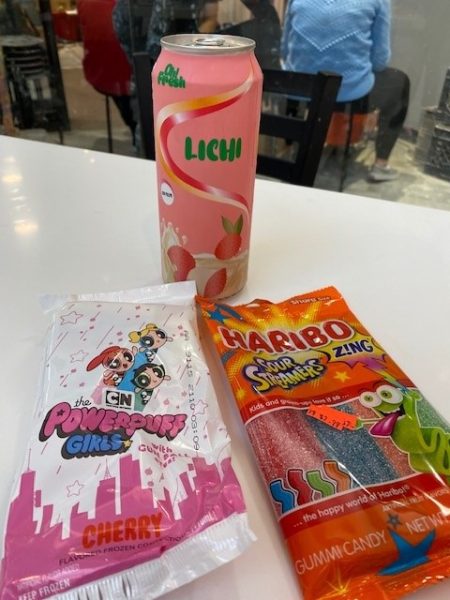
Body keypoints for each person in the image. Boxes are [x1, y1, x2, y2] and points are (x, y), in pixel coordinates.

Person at [281, 0, 410, 182]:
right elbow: (380, 60)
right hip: (350, 93)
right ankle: (380, 165)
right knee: (400, 82)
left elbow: (285, 50)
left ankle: (290, 147)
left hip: (303, 90)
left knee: (293, 70)